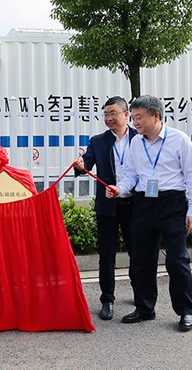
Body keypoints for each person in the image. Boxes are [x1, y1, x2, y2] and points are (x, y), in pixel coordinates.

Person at [105, 95, 192, 332]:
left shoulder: (179, 140)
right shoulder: (136, 143)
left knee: (177, 260)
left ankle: (185, 311)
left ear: (156, 116)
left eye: (139, 117)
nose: (135, 122)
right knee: (142, 259)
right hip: (144, 204)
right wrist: (120, 189)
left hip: (172, 204)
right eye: (133, 117)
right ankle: (145, 307)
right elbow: (131, 175)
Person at [75, 96, 137, 320]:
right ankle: (107, 300)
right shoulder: (98, 141)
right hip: (108, 206)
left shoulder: (140, 138)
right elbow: (87, 163)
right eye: (106, 114)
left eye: (113, 113)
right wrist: (81, 165)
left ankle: (140, 296)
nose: (109, 118)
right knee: (107, 256)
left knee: (137, 253)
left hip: (135, 205)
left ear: (126, 114)